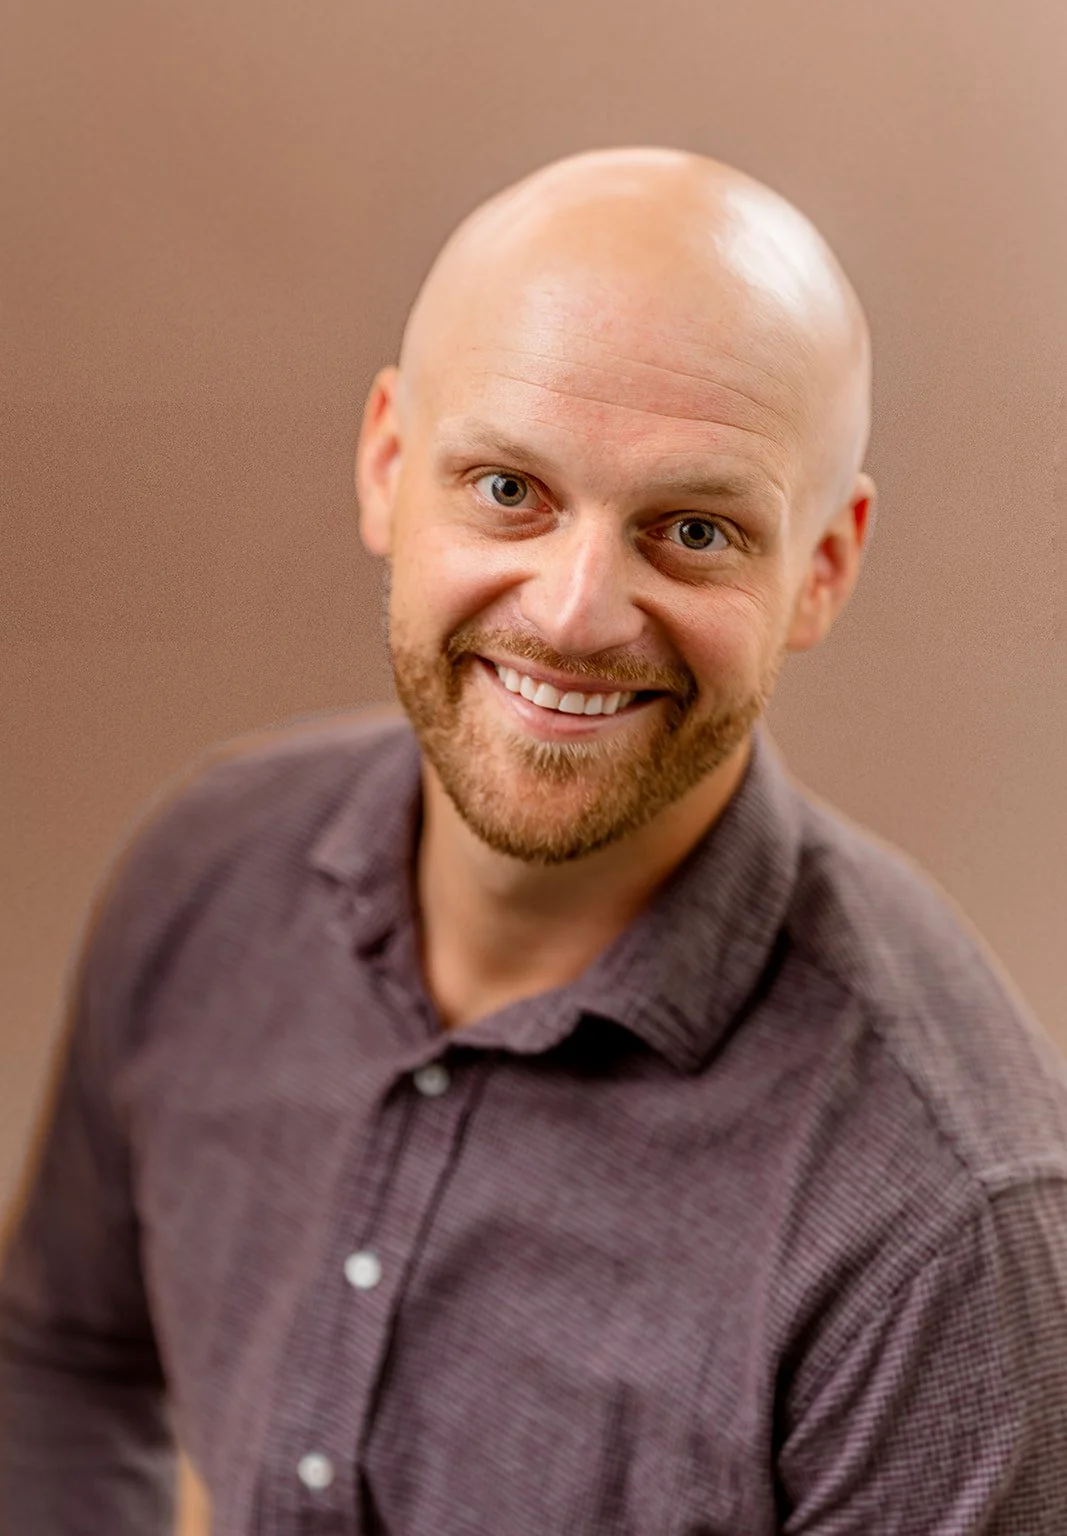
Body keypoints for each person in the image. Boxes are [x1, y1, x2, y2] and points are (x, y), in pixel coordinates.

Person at [2, 147, 1066, 1536]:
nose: (572, 614)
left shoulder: (944, 1226)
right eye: (508, 489)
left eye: (692, 529)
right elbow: (65, 1366)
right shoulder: (204, 875)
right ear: (389, 465)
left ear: (820, 567)